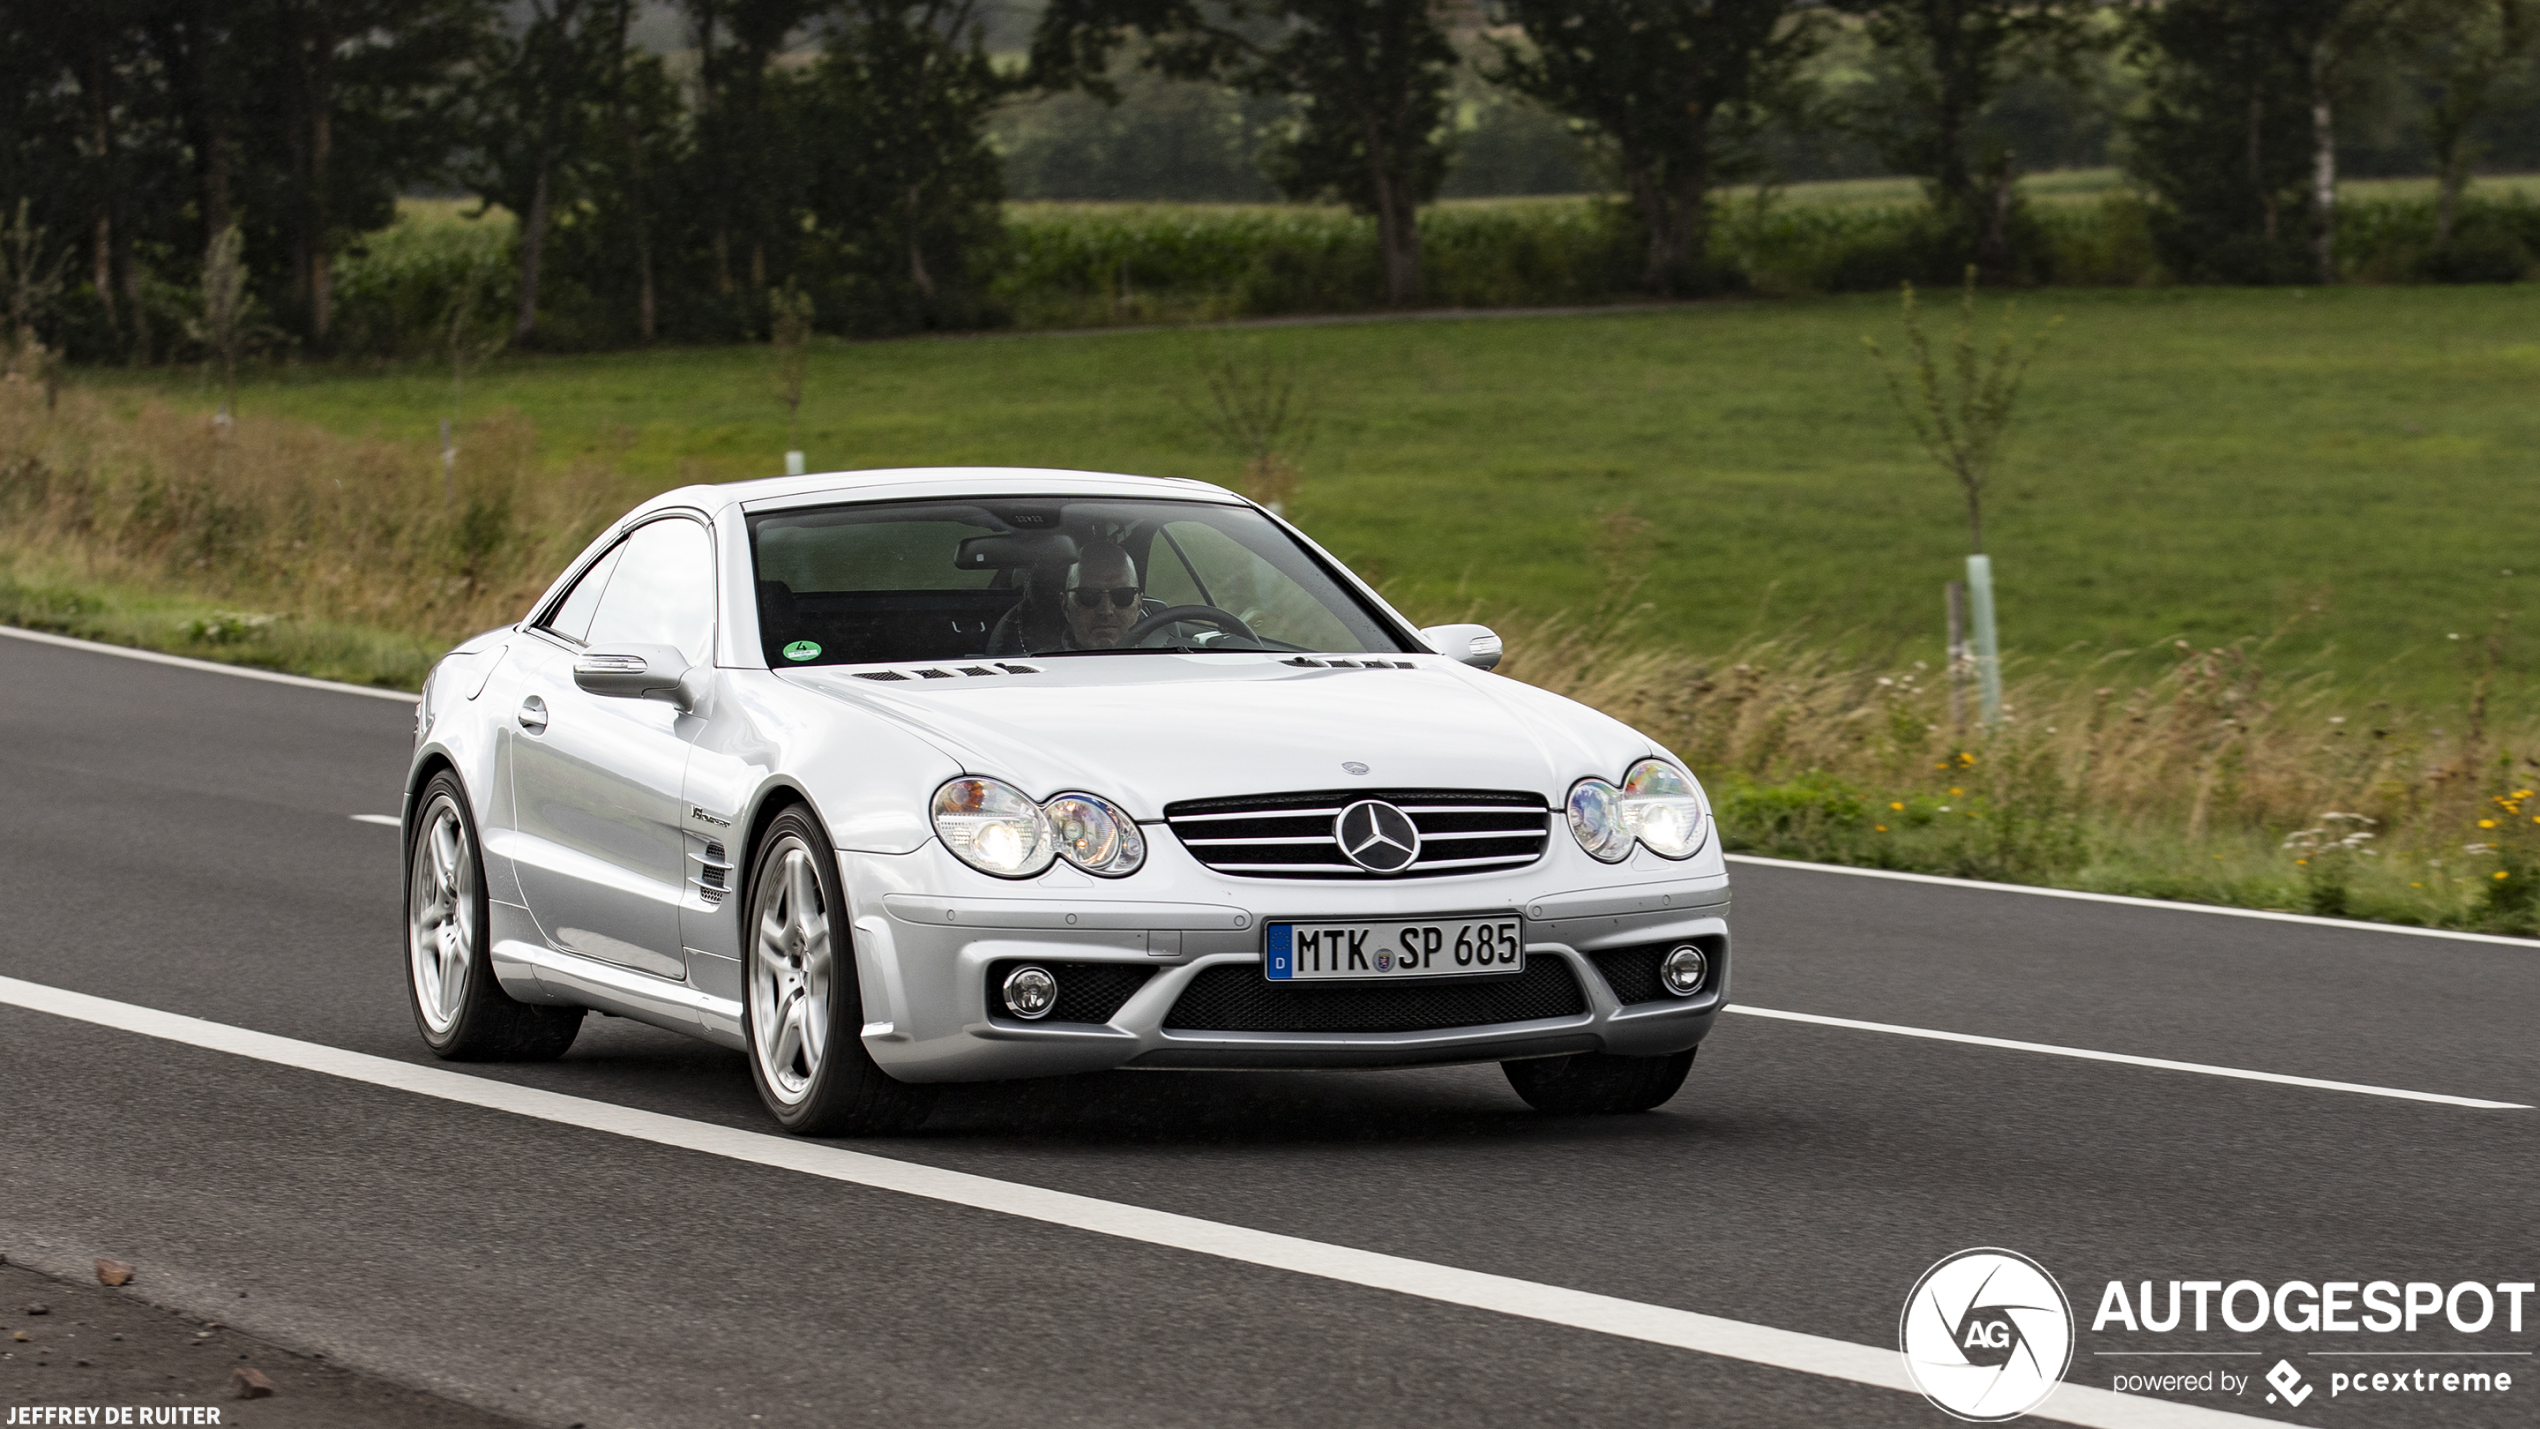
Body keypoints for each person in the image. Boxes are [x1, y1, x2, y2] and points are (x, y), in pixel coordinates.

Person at [1061, 541, 1146, 649]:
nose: (1106, 611)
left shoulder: (1162, 657)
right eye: (1089, 596)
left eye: (1122, 596)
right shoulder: (1039, 663)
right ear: (1066, 606)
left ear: (1139, 605)